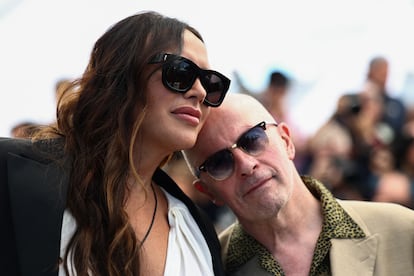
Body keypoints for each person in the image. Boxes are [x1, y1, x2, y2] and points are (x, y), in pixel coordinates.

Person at [0, 11, 231, 276]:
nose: (200, 92)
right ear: (120, 76)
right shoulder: (10, 174)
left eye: (211, 83)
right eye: (181, 72)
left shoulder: (196, 231)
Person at [183, 93, 414, 276]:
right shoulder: (208, 269)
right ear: (208, 191)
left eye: (252, 139)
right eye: (219, 163)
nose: (246, 164)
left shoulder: (402, 230)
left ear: (286, 141)